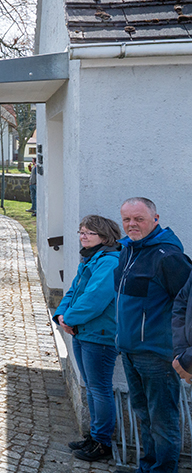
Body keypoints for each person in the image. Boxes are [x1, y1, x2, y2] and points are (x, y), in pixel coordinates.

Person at [115, 197, 190, 473]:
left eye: (139, 219)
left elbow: (186, 306)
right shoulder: (128, 250)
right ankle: (148, 466)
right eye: (126, 219)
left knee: (163, 421)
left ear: (155, 219)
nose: (131, 224)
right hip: (129, 350)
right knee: (144, 415)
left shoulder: (168, 257)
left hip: (157, 355)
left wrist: (183, 351)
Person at [54, 215, 122, 462]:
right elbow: (74, 290)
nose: (83, 236)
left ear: (104, 236)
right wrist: (61, 315)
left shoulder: (110, 261)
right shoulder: (91, 258)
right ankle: (94, 436)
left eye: (89, 232)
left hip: (100, 335)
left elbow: (95, 298)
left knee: (99, 389)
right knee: (92, 388)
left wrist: (70, 319)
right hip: (84, 332)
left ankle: (102, 442)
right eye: (81, 232)